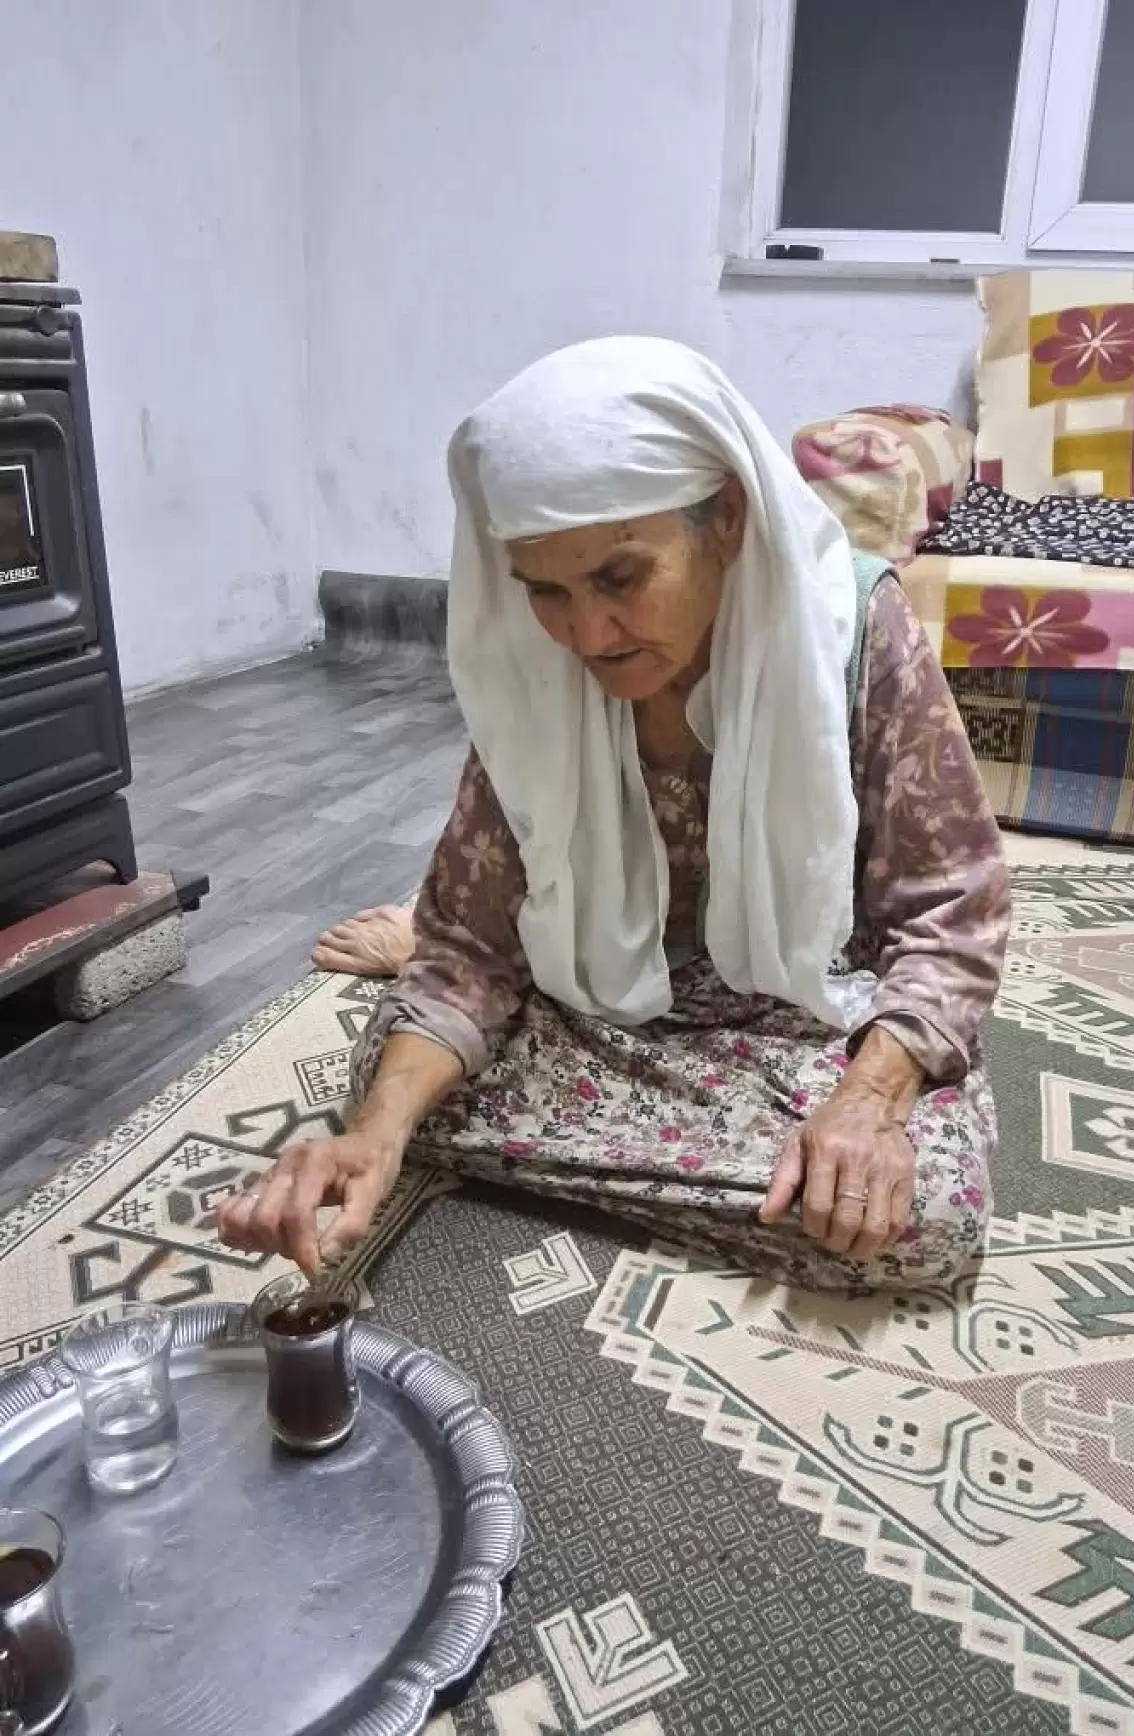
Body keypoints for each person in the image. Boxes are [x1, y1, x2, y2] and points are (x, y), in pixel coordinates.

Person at [218, 338, 1009, 1292]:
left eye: (621, 578)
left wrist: (869, 1099)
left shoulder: (850, 629)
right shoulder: (535, 665)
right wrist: (375, 1138)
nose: (587, 634)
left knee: (926, 1214)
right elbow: (470, 951)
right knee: (384, 1090)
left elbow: (952, 914)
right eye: (546, 592)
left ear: (727, 517)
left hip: (799, 1015)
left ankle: (589, 1145)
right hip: (599, 1001)